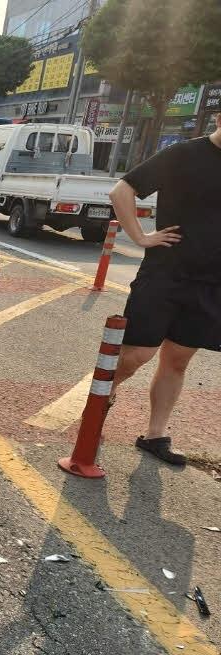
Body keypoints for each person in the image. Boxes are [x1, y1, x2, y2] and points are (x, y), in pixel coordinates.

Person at [107, 112, 221, 465]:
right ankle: (103, 393)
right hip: (164, 274)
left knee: (178, 360)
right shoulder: (184, 154)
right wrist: (141, 237)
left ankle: (155, 435)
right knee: (136, 356)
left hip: (210, 283)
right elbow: (122, 191)